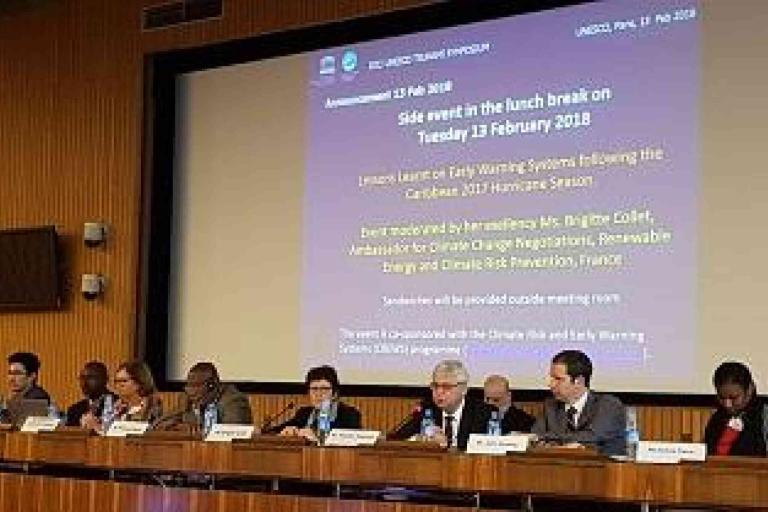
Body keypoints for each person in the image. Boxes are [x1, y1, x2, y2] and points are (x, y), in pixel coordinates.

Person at [532, 350, 626, 455]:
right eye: (551, 378)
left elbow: (592, 437)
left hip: (603, 468)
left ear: (579, 381)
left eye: (558, 379)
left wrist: (552, 439)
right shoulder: (551, 406)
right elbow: (535, 437)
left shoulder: (608, 405)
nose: (551, 384)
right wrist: (564, 447)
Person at [389, 360, 495, 450]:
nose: (439, 392)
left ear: (463, 389)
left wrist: (447, 446)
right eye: (435, 386)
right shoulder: (426, 409)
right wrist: (418, 440)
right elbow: (395, 440)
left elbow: (493, 448)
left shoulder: (484, 413)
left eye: (446, 386)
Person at [154, 362, 252, 431]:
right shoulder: (187, 399)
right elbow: (157, 426)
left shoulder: (234, 400)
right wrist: (177, 425)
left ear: (212, 385)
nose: (190, 391)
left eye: (196, 385)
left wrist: (198, 429)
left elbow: (231, 433)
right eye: (188, 385)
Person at [274, 365, 361, 441]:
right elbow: (270, 432)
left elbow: (351, 442)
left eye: (324, 389)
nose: (318, 394)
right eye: (314, 389)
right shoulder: (303, 414)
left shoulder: (349, 414)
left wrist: (318, 438)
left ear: (334, 393)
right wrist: (286, 431)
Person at [704, 361, 766, 456]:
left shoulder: (764, 417)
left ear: (749, 389)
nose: (727, 404)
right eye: (721, 398)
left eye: (733, 398)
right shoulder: (716, 419)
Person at [82, 360, 162, 431]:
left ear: (138, 383)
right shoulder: (117, 408)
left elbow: (129, 436)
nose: (118, 385)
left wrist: (97, 428)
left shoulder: (150, 407)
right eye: (116, 381)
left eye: (123, 381)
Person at [65, 361, 116, 427]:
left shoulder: (117, 405)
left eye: (90, 377)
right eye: (82, 378)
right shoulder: (74, 410)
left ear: (105, 379)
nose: (84, 383)